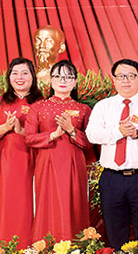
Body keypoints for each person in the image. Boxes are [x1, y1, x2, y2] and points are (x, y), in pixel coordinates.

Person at [86, 59, 138, 250]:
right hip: (112, 178)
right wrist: (118, 132)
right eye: (121, 76)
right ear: (114, 79)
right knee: (114, 229)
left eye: (131, 76)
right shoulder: (103, 107)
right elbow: (92, 135)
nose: (126, 80)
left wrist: (137, 134)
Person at [24, 60, 92, 242]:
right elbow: (29, 138)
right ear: (51, 80)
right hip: (47, 162)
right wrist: (53, 135)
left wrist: (71, 131)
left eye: (68, 77)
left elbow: (90, 143)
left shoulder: (83, 109)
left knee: (73, 203)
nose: (63, 80)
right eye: (58, 76)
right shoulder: (38, 107)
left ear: (75, 82)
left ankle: (76, 249)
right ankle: (46, 249)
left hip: (73, 165)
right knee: (47, 204)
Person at [0, 57, 40, 246]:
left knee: (30, 202)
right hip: (7, 162)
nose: (19, 77)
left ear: (33, 76)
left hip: (34, 160)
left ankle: (31, 247)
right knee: (7, 203)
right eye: (15, 73)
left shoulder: (41, 102)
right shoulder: (0, 102)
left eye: (25, 73)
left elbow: (47, 133)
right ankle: (3, 246)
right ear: (8, 77)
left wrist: (22, 130)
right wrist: (5, 128)